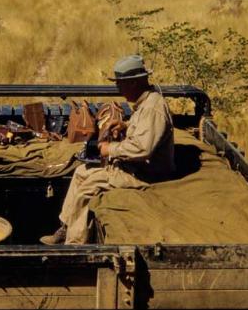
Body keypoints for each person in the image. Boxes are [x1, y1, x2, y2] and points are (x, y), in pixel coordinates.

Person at [40, 54, 176, 245]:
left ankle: (74, 245)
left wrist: (108, 149)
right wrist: (126, 125)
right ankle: (66, 227)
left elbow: (143, 149)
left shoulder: (153, 108)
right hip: (134, 167)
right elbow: (146, 130)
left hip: (144, 174)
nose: (118, 88)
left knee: (87, 188)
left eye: (121, 83)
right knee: (81, 172)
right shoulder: (146, 103)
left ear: (134, 83)